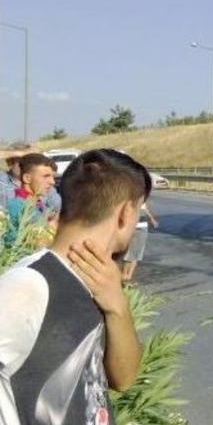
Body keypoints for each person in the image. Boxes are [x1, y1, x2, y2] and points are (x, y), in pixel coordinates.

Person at [0, 149, 148, 425]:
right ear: (126, 214)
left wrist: (117, 307)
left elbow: (124, 380)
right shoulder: (29, 285)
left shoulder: (101, 282)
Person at [2, 153, 59, 246]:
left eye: (52, 177)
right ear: (27, 178)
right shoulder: (17, 207)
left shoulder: (38, 205)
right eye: (46, 176)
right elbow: (22, 248)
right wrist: (52, 227)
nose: (52, 182)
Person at [121, 202, 159, 283]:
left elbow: (147, 211)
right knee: (130, 252)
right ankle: (124, 275)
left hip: (143, 229)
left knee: (138, 252)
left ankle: (129, 276)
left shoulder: (143, 202)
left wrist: (152, 220)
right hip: (132, 229)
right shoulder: (129, 202)